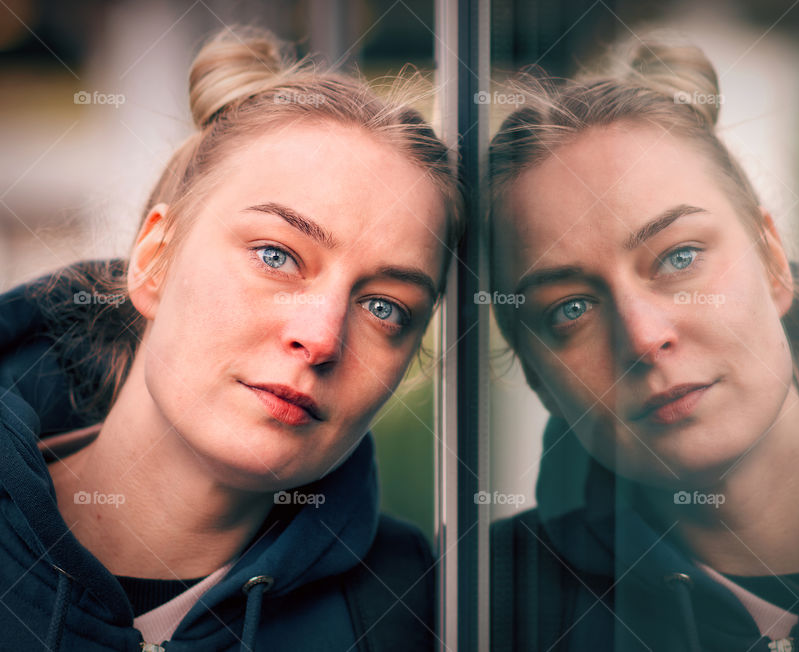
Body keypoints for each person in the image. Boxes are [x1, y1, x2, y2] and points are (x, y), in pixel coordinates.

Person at [0, 27, 461, 652]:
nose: (320, 337)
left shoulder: (420, 609)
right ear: (155, 260)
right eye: (276, 255)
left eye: (384, 306)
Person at [487, 40, 799, 651]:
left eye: (679, 258)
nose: (644, 337)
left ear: (773, 261)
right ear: (536, 374)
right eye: (571, 309)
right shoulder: (484, 609)